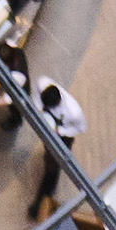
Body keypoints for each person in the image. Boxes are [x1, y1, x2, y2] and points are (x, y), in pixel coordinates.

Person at [29, 73, 87, 220]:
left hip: (63, 138)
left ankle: (42, 201)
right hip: (50, 130)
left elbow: (81, 128)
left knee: (52, 168)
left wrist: (61, 131)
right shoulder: (42, 83)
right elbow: (36, 96)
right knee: (49, 155)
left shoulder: (74, 112)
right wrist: (40, 110)